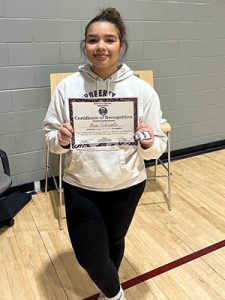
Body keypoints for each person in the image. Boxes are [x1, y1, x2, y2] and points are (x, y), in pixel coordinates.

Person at [44, 7, 167, 300]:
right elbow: (50, 138)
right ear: (84, 44)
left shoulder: (142, 90)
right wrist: (60, 139)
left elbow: (157, 145)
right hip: (81, 185)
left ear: (120, 45)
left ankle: (107, 291)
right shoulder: (67, 88)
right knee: (89, 257)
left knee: (114, 242)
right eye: (92, 40)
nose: (100, 47)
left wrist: (149, 144)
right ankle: (115, 295)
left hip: (127, 185)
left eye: (109, 40)